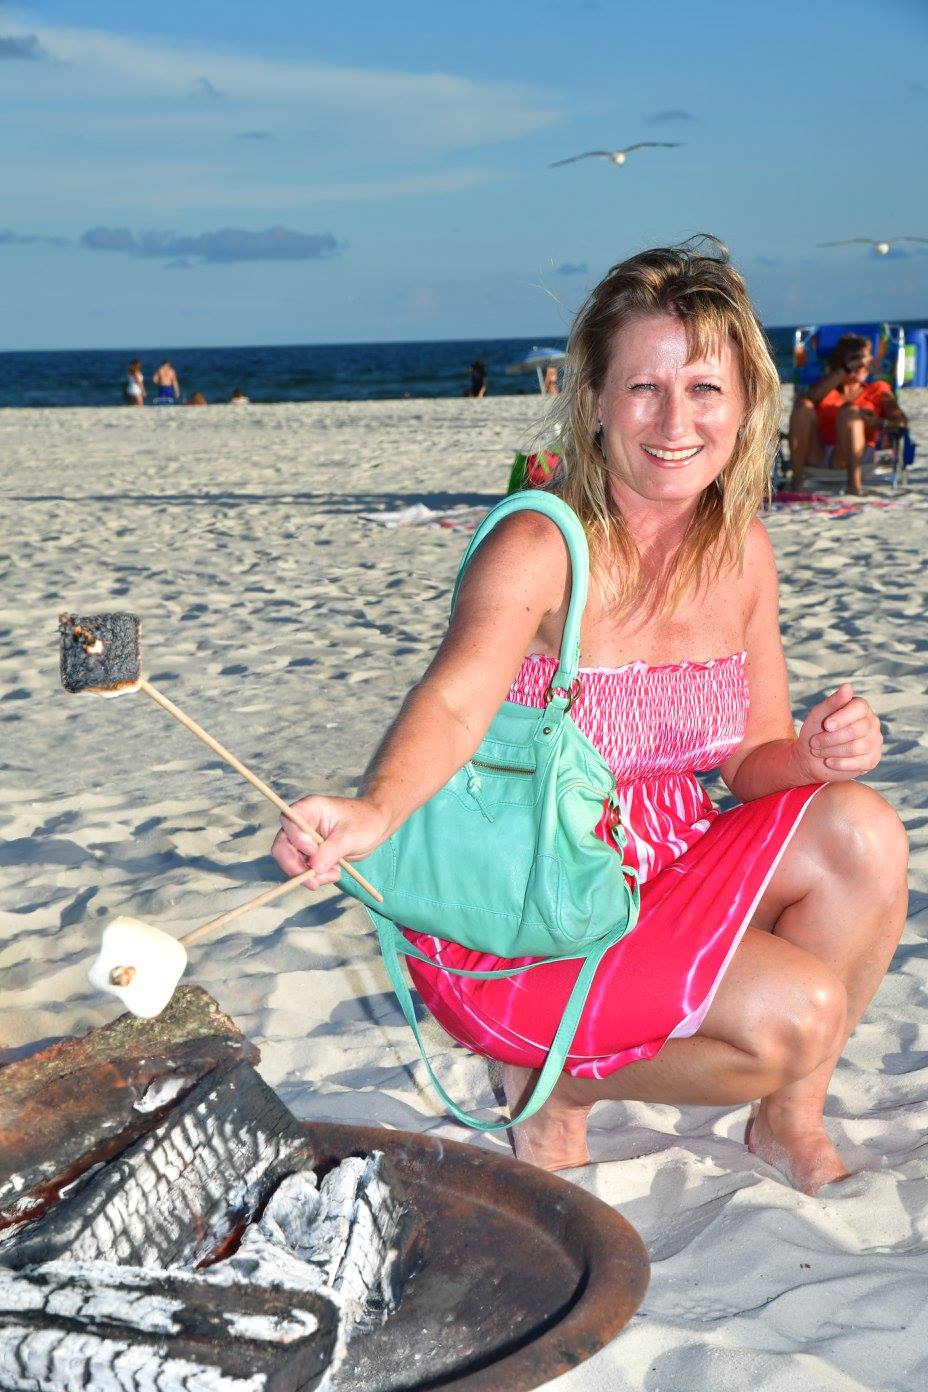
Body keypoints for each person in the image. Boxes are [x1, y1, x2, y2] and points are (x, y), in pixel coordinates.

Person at [272, 241, 907, 1196]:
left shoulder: (741, 554)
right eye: (643, 387)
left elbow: (748, 762)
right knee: (798, 1015)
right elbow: (450, 703)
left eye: (703, 388)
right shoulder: (540, 544)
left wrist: (814, 759)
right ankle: (551, 1080)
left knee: (864, 827)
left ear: (743, 406)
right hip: (539, 895)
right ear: (597, 401)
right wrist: (374, 812)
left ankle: (786, 1123)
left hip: (670, 857)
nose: (676, 420)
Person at [788, 333, 908, 495]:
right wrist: (846, 368)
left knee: (849, 411)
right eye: (854, 359)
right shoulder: (826, 390)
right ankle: (797, 482)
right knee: (803, 405)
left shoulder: (878, 389)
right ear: (840, 363)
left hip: (856, 455)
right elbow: (811, 396)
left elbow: (901, 421)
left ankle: (854, 485)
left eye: (865, 359)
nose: (861, 364)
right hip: (819, 454)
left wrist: (877, 423)